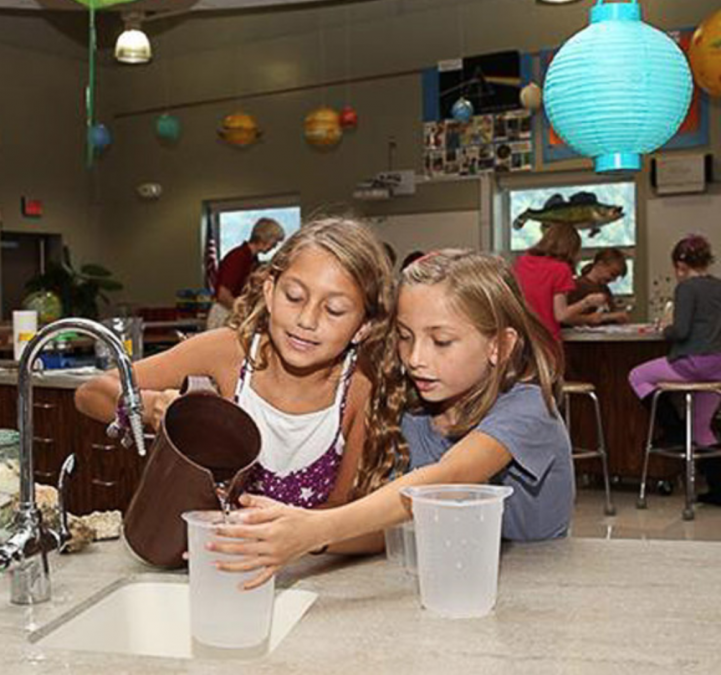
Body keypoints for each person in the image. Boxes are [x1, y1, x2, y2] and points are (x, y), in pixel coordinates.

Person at [209, 250, 575, 588]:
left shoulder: (528, 408)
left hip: (541, 587)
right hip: (442, 581)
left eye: (441, 341)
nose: (415, 358)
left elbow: (449, 478)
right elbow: (387, 525)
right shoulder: (409, 410)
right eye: (404, 336)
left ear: (500, 345)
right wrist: (302, 537)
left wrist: (316, 529)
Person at [77, 218, 394, 531]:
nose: (307, 320)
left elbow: (343, 510)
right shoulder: (225, 353)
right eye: (294, 297)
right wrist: (150, 407)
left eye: (334, 310)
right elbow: (91, 392)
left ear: (364, 326)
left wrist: (291, 535)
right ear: (270, 291)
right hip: (201, 555)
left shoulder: (360, 389)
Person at [628, 235, 721, 503]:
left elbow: (681, 331)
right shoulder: (718, 286)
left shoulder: (686, 288)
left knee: (637, 376)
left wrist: (664, 329)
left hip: (691, 363)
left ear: (680, 265)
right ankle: (718, 489)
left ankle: (674, 429)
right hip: (717, 367)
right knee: (702, 427)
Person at [512, 223, 606, 342]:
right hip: (546, 339)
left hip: (521, 336)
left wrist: (587, 318)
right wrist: (587, 302)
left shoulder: (521, 262)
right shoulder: (560, 269)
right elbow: (561, 315)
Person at [206, 218, 286, 330]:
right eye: (275, 242)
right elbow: (222, 295)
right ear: (265, 238)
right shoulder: (238, 257)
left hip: (233, 312)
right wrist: (243, 313)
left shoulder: (253, 260)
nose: (275, 246)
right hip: (224, 312)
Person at [566, 248, 629, 325]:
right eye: (612, 274)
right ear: (600, 264)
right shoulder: (577, 286)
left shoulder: (605, 289)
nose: (613, 280)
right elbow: (566, 318)